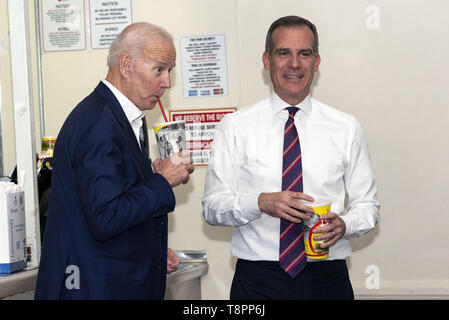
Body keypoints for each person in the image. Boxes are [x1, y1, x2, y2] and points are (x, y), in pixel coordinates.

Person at [202, 15, 380, 300]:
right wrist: (260, 202)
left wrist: (345, 224)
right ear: (266, 60)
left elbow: (368, 207)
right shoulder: (235, 126)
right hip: (257, 281)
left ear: (316, 62)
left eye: (304, 54)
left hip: (328, 278)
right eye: (283, 52)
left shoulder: (346, 127)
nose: (294, 63)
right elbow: (212, 208)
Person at [35, 22, 194, 300]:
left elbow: (114, 204)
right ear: (126, 65)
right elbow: (106, 218)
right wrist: (162, 181)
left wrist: (150, 250)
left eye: (170, 71)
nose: (167, 82)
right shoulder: (99, 123)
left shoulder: (123, 118)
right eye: (159, 69)